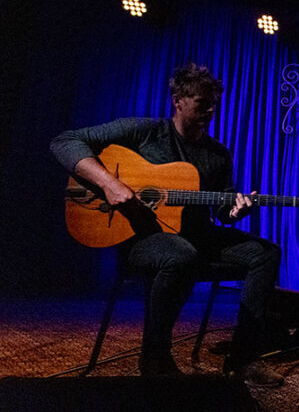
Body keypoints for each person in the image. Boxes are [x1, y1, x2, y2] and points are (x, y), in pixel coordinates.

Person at [50, 63, 284, 387]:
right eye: (203, 103)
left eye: (214, 103)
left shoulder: (217, 154)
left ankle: (243, 358)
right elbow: (65, 141)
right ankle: (155, 357)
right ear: (178, 101)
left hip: (194, 238)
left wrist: (235, 211)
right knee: (180, 254)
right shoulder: (142, 131)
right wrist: (109, 183)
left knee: (266, 253)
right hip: (143, 238)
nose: (211, 110)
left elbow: (222, 207)